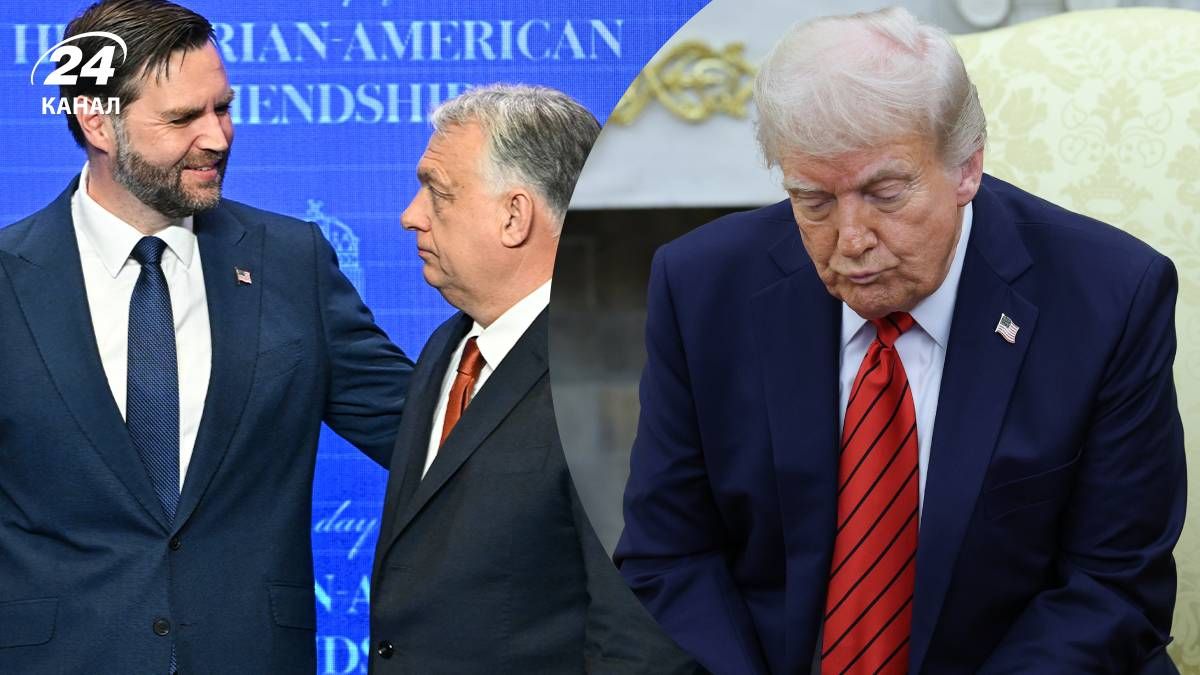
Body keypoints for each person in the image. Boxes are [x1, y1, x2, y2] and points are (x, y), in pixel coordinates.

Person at [615, 7, 1185, 674]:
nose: (851, 240)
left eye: (884, 193)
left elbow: (1113, 587)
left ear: (967, 167)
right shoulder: (701, 288)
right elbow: (669, 557)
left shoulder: (1109, 296)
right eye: (814, 201)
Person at [0, 1, 412, 672]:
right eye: (182, 118)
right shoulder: (7, 279)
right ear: (96, 121)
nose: (217, 137)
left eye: (223, 108)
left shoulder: (291, 261)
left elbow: (426, 436)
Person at [369, 84, 699, 674]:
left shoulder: (621, 376)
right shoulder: (448, 347)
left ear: (514, 215)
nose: (410, 215)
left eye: (437, 192)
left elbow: (641, 635)